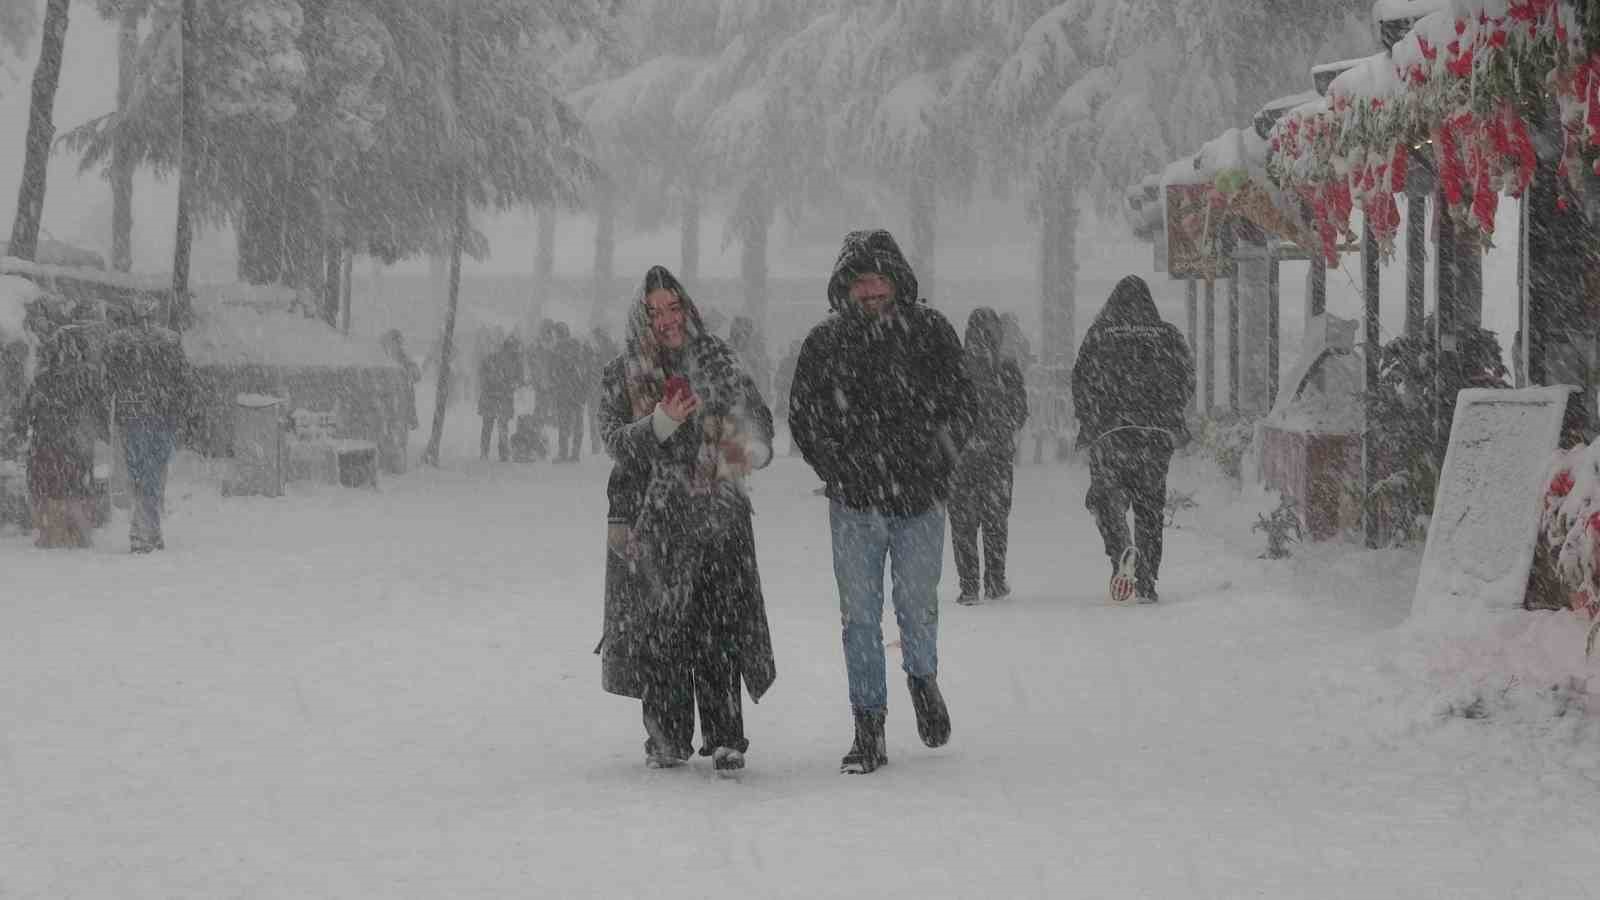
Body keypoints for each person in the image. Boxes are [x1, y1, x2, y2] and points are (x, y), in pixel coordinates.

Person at [789, 229, 976, 774]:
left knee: (918, 606)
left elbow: (965, 402)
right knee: (860, 618)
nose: (870, 294)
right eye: (861, 285)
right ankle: (867, 724)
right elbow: (803, 415)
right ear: (845, 288)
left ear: (897, 281)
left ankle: (922, 677)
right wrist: (837, 466)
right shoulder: (825, 345)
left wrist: (939, 458)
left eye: (879, 283)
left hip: (919, 500)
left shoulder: (932, 333)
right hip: (854, 503)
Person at [595, 265, 777, 773]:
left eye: (673, 308)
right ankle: (667, 736)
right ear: (641, 317)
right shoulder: (623, 371)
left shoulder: (720, 361)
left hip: (719, 514)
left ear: (688, 308)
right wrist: (662, 422)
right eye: (654, 312)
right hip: (655, 521)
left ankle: (725, 737)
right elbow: (614, 441)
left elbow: (759, 424)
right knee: (663, 630)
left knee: (720, 625)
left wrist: (739, 453)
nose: (667, 321)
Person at [1071, 275, 1195, 605]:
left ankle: (1120, 547)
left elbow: (1080, 381)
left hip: (1110, 434)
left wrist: (1091, 420)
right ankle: (1147, 579)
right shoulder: (1168, 335)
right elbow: (1186, 378)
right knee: (1150, 507)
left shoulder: (1099, 335)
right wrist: (1168, 412)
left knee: (1106, 496)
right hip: (1153, 437)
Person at [948, 308, 1029, 605]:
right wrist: (1003, 431)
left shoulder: (955, 365)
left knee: (963, 522)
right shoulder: (1005, 366)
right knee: (995, 518)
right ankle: (995, 580)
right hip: (997, 454)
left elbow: (943, 409)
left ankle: (969, 586)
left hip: (961, 455)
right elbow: (1020, 409)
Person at [105, 320, 195, 554]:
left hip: (135, 416)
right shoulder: (169, 343)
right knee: (153, 475)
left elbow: (108, 383)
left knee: (142, 476)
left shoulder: (120, 343)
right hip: (160, 417)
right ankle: (147, 531)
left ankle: (145, 531)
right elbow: (184, 383)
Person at [19, 328, 104, 549]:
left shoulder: (44, 379)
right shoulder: (87, 376)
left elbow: (27, 411)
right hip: (74, 442)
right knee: (74, 487)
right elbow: (97, 409)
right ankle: (77, 533)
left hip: (47, 441)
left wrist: (21, 429)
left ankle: (52, 533)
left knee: (47, 488)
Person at [477, 335, 521, 461]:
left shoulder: (494, 358)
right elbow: (519, 379)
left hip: (493, 396)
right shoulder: (512, 360)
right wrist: (513, 384)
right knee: (500, 426)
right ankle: (501, 453)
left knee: (490, 426)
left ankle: (488, 452)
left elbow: (482, 375)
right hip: (500, 396)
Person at [549, 322, 586, 462]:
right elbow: (584, 369)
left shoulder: (559, 348)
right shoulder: (578, 347)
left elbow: (554, 371)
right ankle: (575, 453)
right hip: (577, 392)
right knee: (577, 423)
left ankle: (564, 453)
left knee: (564, 423)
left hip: (565, 391)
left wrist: (556, 382)